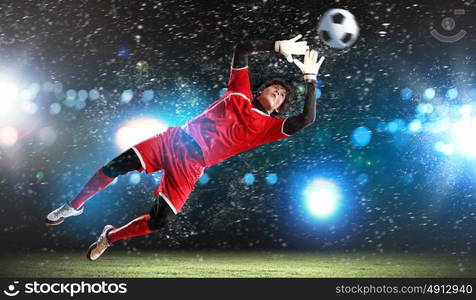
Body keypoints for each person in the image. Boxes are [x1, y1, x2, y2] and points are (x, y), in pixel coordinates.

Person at [46, 34, 325, 261]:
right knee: (114, 166)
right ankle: (74, 206)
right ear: (260, 90)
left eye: (282, 97)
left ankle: (109, 237)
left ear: (278, 109)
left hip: (191, 166)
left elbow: (307, 118)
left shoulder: (268, 128)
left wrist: (310, 80)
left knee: (159, 222)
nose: (278, 93)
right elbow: (242, 48)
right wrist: (276, 46)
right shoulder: (238, 91)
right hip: (174, 141)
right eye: (275, 88)